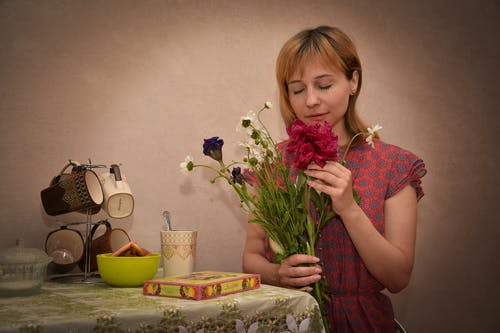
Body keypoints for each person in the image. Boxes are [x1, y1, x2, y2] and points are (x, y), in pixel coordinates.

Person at [242, 26, 427, 332]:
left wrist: (349, 208)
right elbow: (250, 256)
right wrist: (278, 274)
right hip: (285, 320)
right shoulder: (272, 163)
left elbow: (398, 278)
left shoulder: (394, 165)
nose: (310, 101)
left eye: (324, 85)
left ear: (353, 81)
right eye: (298, 89)